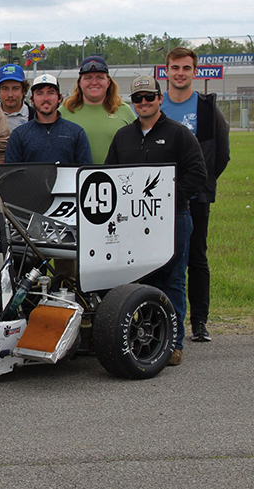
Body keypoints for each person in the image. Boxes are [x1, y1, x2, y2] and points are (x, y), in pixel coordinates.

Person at [106, 76, 206, 366]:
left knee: (172, 279)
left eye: (149, 97)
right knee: (139, 280)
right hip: (133, 223)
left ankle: (174, 344)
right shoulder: (123, 137)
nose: (144, 103)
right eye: (138, 98)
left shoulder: (179, 134)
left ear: (160, 99)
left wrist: (166, 200)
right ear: (132, 102)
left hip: (173, 219)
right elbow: (110, 176)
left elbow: (197, 175)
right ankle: (146, 338)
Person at [160, 47, 230, 343]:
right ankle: (159, 317)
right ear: (166, 71)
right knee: (160, 259)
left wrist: (199, 184)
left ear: (194, 72)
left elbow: (221, 154)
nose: (180, 73)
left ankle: (199, 322)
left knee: (196, 258)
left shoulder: (206, 108)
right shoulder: (155, 104)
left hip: (195, 196)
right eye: (175, 67)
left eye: (186, 68)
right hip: (158, 197)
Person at [61, 55, 136, 163]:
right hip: (76, 177)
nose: (94, 82)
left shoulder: (124, 111)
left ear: (108, 82)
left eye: (100, 77)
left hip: (115, 177)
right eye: (88, 78)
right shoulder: (65, 111)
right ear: (80, 83)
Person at [5, 74, 92, 165]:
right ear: (32, 100)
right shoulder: (19, 135)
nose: (45, 98)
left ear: (60, 98)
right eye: (40, 93)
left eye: (51, 93)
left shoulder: (76, 133)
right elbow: (11, 173)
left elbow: (85, 171)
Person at [0, 63, 34, 131]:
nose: (10, 95)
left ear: (23, 90)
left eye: (15, 88)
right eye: (5, 89)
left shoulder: (35, 116)